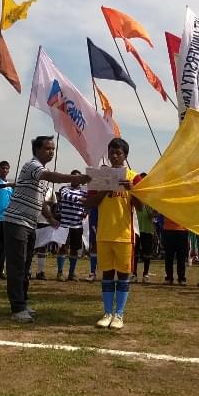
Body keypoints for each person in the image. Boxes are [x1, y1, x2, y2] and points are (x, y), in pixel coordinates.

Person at [3, 135, 90, 322]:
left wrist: (50, 218)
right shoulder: (33, 166)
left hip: (29, 224)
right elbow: (52, 176)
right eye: (48, 149)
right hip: (16, 222)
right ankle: (17, 309)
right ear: (37, 150)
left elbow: (41, 200)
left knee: (25, 266)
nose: (51, 152)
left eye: (53, 149)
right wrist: (76, 178)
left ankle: (23, 303)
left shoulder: (41, 174)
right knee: (17, 266)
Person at [85, 138, 142, 330]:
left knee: (124, 275)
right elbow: (89, 204)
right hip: (104, 233)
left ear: (125, 155)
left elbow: (142, 208)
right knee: (107, 274)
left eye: (118, 153)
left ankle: (119, 314)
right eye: (111, 153)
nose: (114, 156)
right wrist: (104, 189)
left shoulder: (134, 177)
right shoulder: (100, 176)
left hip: (125, 235)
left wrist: (131, 190)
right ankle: (107, 312)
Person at [57, 170, 87, 281]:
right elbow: (65, 197)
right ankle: (60, 272)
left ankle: (71, 273)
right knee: (63, 248)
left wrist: (86, 211)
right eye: (73, 177)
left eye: (78, 178)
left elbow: (88, 203)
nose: (75, 180)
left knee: (75, 250)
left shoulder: (84, 192)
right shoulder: (65, 189)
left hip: (77, 225)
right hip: (65, 224)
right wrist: (80, 199)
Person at [33, 187, 57, 280]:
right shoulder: (33, 187)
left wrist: (51, 218)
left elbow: (55, 205)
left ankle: (40, 272)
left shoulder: (51, 190)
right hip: (33, 220)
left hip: (45, 222)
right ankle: (28, 271)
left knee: (42, 248)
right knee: (31, 247)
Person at [161, 217, 188, 285]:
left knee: (181, 256)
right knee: (168, 256)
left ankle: (181, 278)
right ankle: (169, 277)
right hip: (168, 229)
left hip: (182, 229)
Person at [135, 202, 155, 283]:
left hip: (148, 229)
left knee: (147, 253)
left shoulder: (151, 199)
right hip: (136, 228)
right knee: (134, 252)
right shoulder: (135, 196)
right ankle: (134, 274)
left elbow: (155, 214)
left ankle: (145, 274)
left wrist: (153, 214)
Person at [85, 207, 99, 282]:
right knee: (94, 245)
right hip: (95, 212)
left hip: (108, 212)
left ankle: (109, 274)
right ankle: (92, 272)